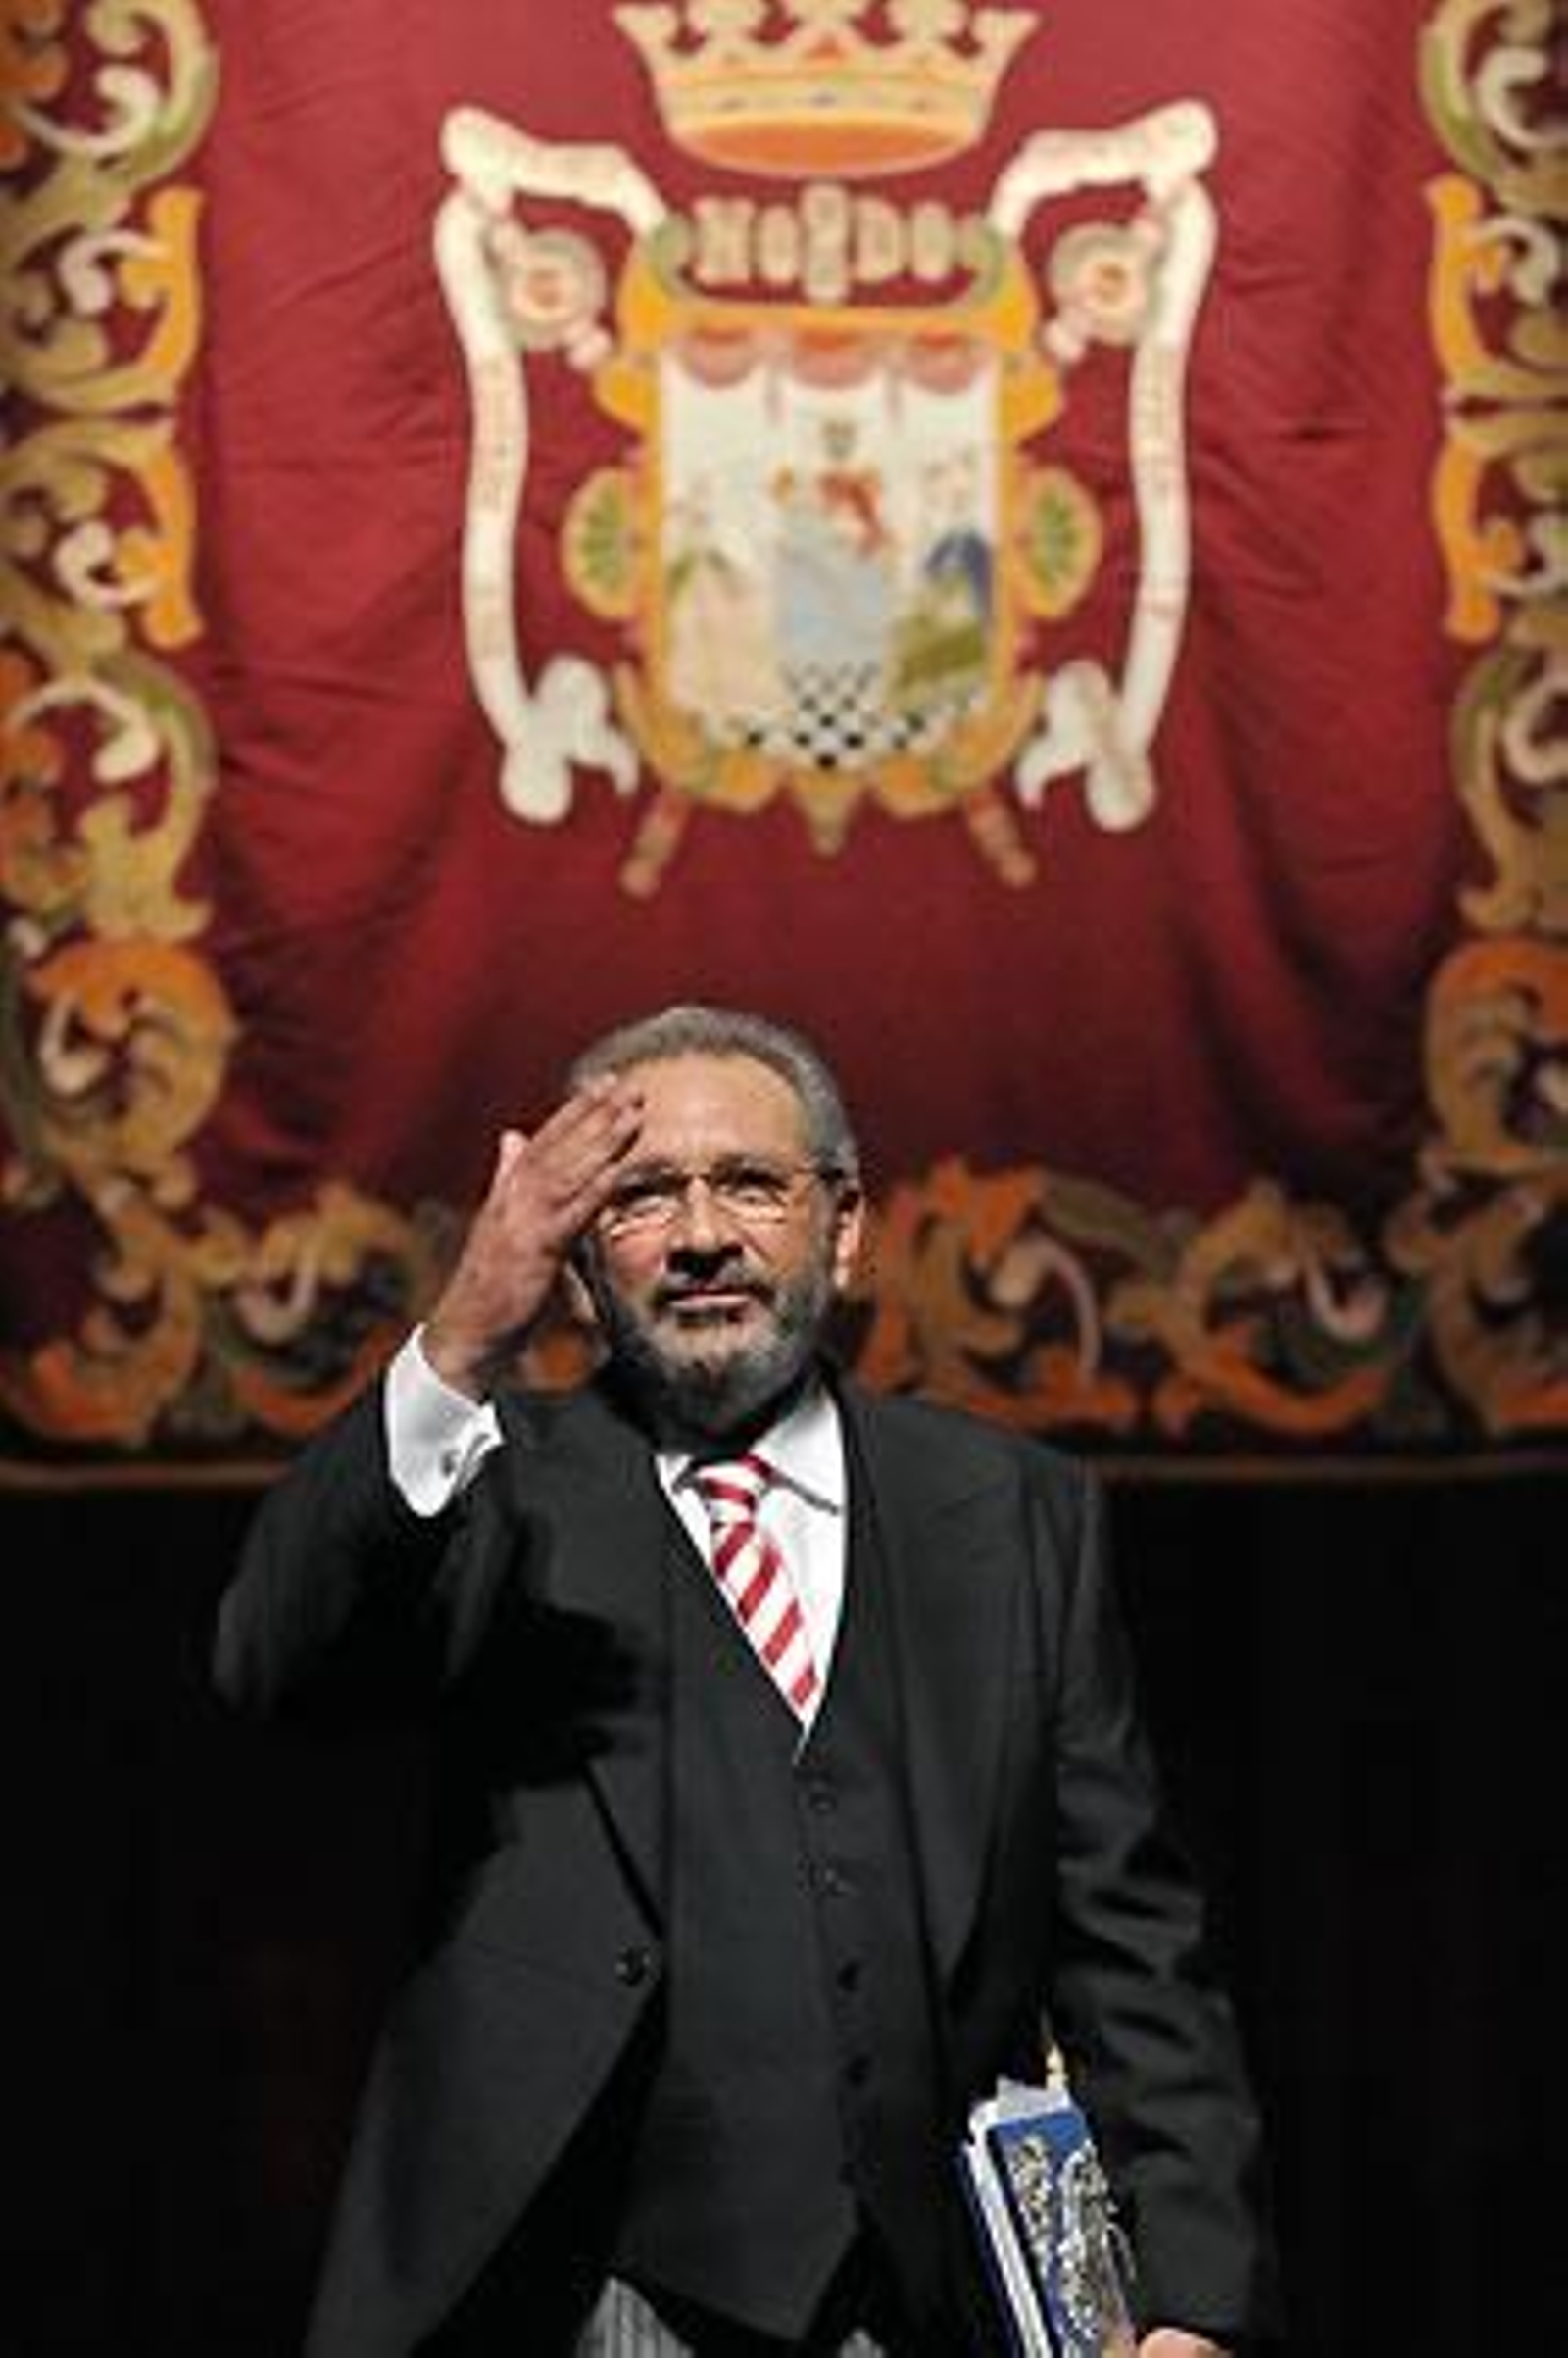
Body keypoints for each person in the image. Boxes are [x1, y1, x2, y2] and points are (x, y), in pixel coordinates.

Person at [215, 1005, 1279, 2358]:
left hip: (932, 2295)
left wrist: (1195, 2296)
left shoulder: (1013, 1510)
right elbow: (272, 1653)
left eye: (752, 1185)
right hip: (596, 2301)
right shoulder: (495, 1491)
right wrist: (465, 1334)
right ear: (586, 1258)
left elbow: (1130, 1939)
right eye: (644, 1194)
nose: (703, 1232)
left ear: (844, 1227)